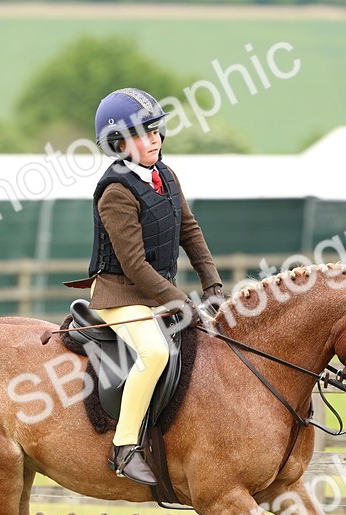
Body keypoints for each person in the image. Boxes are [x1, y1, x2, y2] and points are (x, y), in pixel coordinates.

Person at [83, 87, 226, 486]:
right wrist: (180, 300)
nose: (155, 139)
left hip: (156, 294)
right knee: (155, 351)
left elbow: (189, 231)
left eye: (156, 130)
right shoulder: (115, 193)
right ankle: (124, 446)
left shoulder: (165, 174)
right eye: (144, 134)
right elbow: (134, 265)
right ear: (118, 143)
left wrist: (211, 283)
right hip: (121, 296)